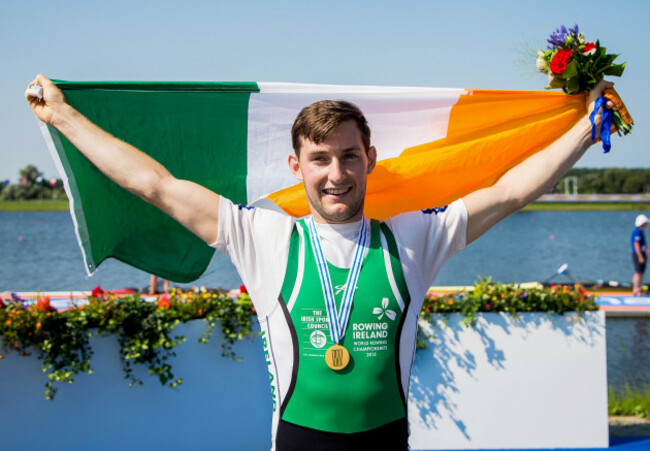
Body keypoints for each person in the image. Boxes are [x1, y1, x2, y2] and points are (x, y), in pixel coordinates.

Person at [26, 74, 615, 450]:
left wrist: (585, 131)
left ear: (370, 159)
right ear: (296, 166)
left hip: (388, 442)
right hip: (298, 445)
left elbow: (509, 192)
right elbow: (154, 183)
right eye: (321, 158)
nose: (336, 174)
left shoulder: (415, 238)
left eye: (349, 157)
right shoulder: (263, 237)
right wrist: (63, 116)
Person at [632, 214, 648, 296]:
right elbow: (636, 244)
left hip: (641, 253)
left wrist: (646, 251)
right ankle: (636, 289)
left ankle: (638, 288)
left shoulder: (640, 231)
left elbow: (641, 245)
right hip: (638, 255)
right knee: (638, 272)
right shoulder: (637, 231)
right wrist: (640, 256)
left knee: (640, 272)